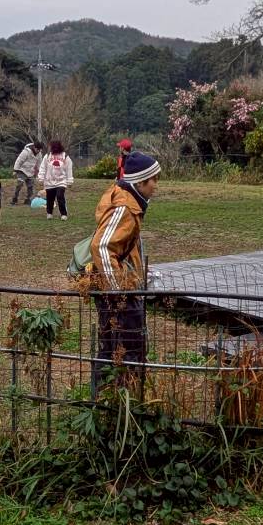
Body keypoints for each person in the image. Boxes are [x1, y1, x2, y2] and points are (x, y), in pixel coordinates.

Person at [88, 151, 161, 389]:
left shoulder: (129, 200)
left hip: (120, 288)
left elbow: (123, 247)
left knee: (112, 346)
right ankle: (121, 397)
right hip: (118, 294)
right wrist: (119, 291)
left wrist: (140, 274)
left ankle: (108, 397)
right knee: (128, 349)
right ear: (140, 182)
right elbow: (101, 246)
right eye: (154, 180)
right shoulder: (125, 208)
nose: (156, 186)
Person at [37, 139, 74, 220]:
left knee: (60, 196)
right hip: (49, 182)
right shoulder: (47, 156)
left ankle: (64, 214)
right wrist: (41, 178)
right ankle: (49, 213)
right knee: (50, 198)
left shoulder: (65, 157)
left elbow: (69, 169)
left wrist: (70, 181)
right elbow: (43, 168)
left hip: (61, 181)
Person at [11, 141, 44, 205]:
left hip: (30, 172)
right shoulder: (26, 152)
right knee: (19, 185)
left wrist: (40, 173)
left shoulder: (39, 154)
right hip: (22, 171)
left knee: (30, 187)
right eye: (37, 149)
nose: (38, 151)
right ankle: (14, 199)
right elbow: (19, 161)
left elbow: (39, 164)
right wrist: (15, 170)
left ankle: (28, 200)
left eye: (40, 150)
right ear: (34, 147)